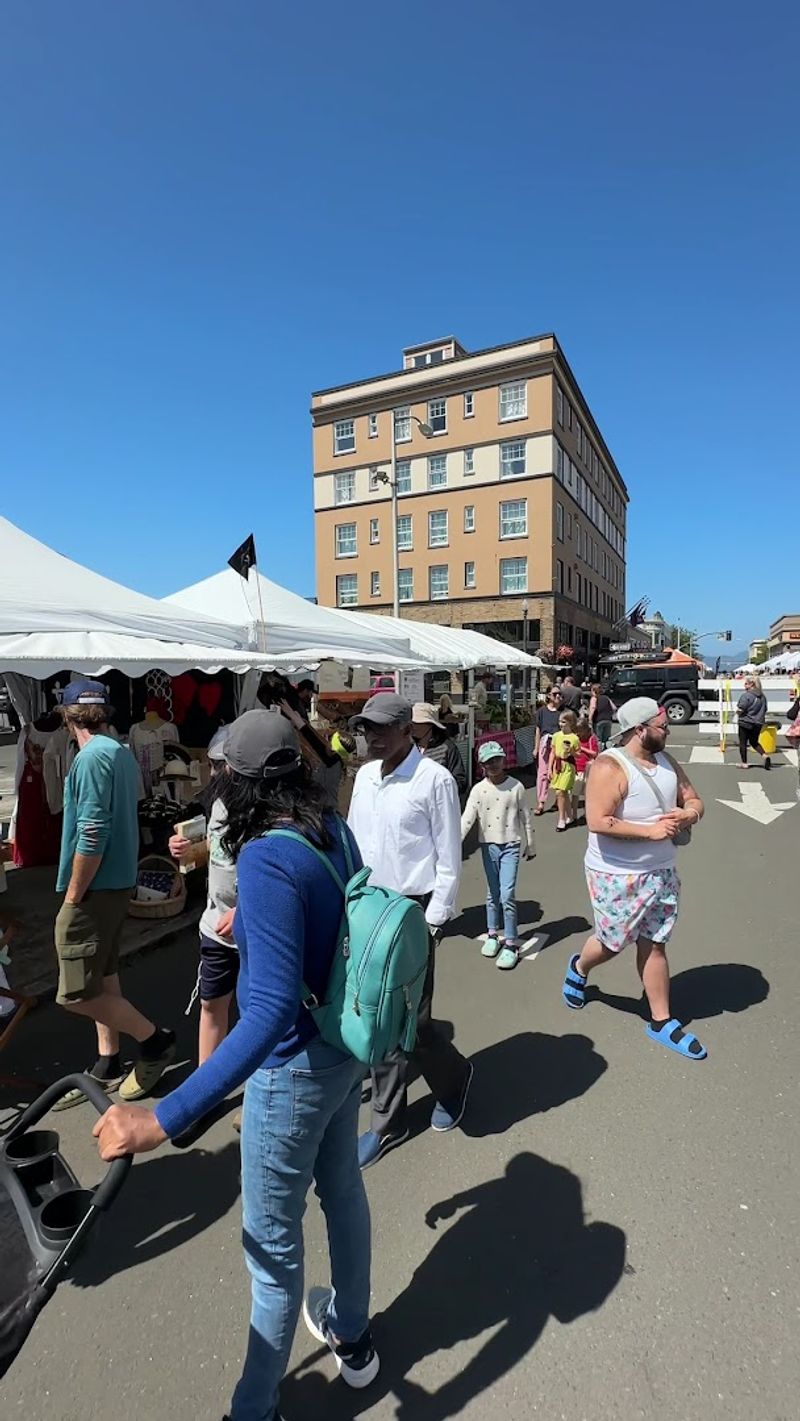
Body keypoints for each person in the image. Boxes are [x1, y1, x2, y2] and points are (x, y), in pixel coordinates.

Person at [94, 709, 377, 1420]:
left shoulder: (263, 855)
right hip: (343, 1045)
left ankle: (252, 1409)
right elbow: (322, 923)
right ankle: (353, 1333)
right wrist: (245, 923)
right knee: (342, 1193)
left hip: (294, 1068)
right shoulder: (330, 827)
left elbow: (271, 1010)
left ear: (240, 783)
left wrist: (165, 1116)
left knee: (273, 1251)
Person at [347, 694, 472, 1169]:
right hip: (367, 909)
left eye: (380, 728)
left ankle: (455, 1080)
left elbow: (448, 853)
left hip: (412, 911)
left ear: (408, 729)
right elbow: (355, 839)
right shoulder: (363, 776)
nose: (372, 736)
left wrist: (435, 918)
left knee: (412, 1022)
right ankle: (389, 1119)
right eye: (366, 729)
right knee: (376, 1017)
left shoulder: (433, 779)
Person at [562, 697, 707, 1061]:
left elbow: (694, 800)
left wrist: (688, 814)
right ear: (640, 729)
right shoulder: (609, 767)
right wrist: (650, 832)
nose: (668, 729)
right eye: (662, 725)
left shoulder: (666, 762)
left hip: (662, 873)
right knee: (612, 943)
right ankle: (579, 967)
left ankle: (661, 1021)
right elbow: (598, 820)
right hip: (617, 875)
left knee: (655, 943)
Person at [53, 680, 175, 1111]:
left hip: (96, 886)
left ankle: (154, 1040)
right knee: (103, 972)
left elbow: (91, 833)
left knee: (76, 993)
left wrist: (72, 895)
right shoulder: (118, 753)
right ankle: (108, 1060)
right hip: (117, 881)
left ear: (68, 717)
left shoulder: (90, 759)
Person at [168, 726, 239, 1087]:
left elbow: (286, 870)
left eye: (221, 765)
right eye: (212, 765)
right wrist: (186, 850)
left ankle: (264, 1095)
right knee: (211, 1005)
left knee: (266, 1015)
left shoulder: (270, 808)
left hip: (257, 928)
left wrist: (246, 912)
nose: (215, 773)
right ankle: (203, 1092)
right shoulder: (214, 802)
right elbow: (215, 849)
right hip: (215, 925)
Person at [460, 741, 534, 970]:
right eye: (488, 761)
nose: (494, 765)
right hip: (488, 845)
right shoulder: (479, 789)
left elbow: (526, 816)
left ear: (504, 760)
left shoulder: (516, 787)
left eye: (497, 759)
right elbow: (467, 818)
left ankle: (511, 942)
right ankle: (492, 934)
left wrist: (531, 844)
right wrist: (454, 844)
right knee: (493, 893)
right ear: (482, 764)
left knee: (507, 893)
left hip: (511, 843)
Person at [411, 702, 467, 795]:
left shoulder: (447, 747)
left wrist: (436, 788)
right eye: (412, 723)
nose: (414, 727)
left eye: (418, 723)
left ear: (430, 725)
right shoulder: (409, 747)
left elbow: (460, 782)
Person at [533, 686, 563, 815]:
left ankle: (558, 801)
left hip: (558, 744)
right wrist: (536, 747)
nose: (558, 696)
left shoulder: (563, 712)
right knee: (543, 774)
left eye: (560, 694)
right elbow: (538, 730)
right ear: (549, 696)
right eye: (555, 694)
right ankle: (541, 802)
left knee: (558, 772)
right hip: (545, 744)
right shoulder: (541, 711)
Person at [549, 710, 579, 832]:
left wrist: (571, 752)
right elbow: (552, 752)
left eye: (564, 722)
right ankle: (570, 816)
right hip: (558, 765)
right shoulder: (556, 736)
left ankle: (561, 819)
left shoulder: (574, 738)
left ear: (571, 723)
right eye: (560, 721)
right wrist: (549, 768)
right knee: (564, 793)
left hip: (568, 766)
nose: (561, 724)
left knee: (560, 792)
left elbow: (578, 754)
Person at [736, 674, 770, 769]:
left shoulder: (746, 696)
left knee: (743, 742)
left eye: (746, 683)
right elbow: (765, 709)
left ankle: (744, 762)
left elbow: (741, 709)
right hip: (758, 723)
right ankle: (765, 756)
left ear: (751, 684)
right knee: (754, 742)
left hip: (745, 721)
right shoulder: (763, 697)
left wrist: (738, 713)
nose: (744, 685)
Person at [573, 719, 599, 819]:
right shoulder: (576, 738)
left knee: (586, 793)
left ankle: (586, 813)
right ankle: (574, 814)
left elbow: (594, 753)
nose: (578, 733)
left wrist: (582, 748)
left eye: (580, 731)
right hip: (577, 768)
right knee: (575, 793)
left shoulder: (591, 738)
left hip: (587, 769)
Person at [589, 682, 616, 749]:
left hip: (598, 720)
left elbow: (593, 707)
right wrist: (609, 714)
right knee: (607, 739)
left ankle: (599, 753)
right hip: (608, 720)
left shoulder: (594, 698)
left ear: (593, 691)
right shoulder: (606, 698)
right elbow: (614, 708)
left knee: (598, 739)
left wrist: (589, 719)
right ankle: (608, 751)